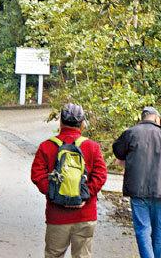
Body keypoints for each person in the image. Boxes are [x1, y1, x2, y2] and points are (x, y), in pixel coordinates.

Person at [30, 103, 109, 258]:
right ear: (82, 123)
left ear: (60, 122)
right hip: (85, 215)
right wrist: (85, 195)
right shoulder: (92, 147)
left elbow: (37, 175)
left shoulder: (46, 146)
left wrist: (55, 194)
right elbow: (101, 175)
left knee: (54, 255)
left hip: (57, 216)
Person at [112, 107, 161, 258]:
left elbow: (118, 151)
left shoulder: (130, 133)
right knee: (158, 232)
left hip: (138, 192)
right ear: (157, 118)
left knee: (142, 230)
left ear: (143, 118)